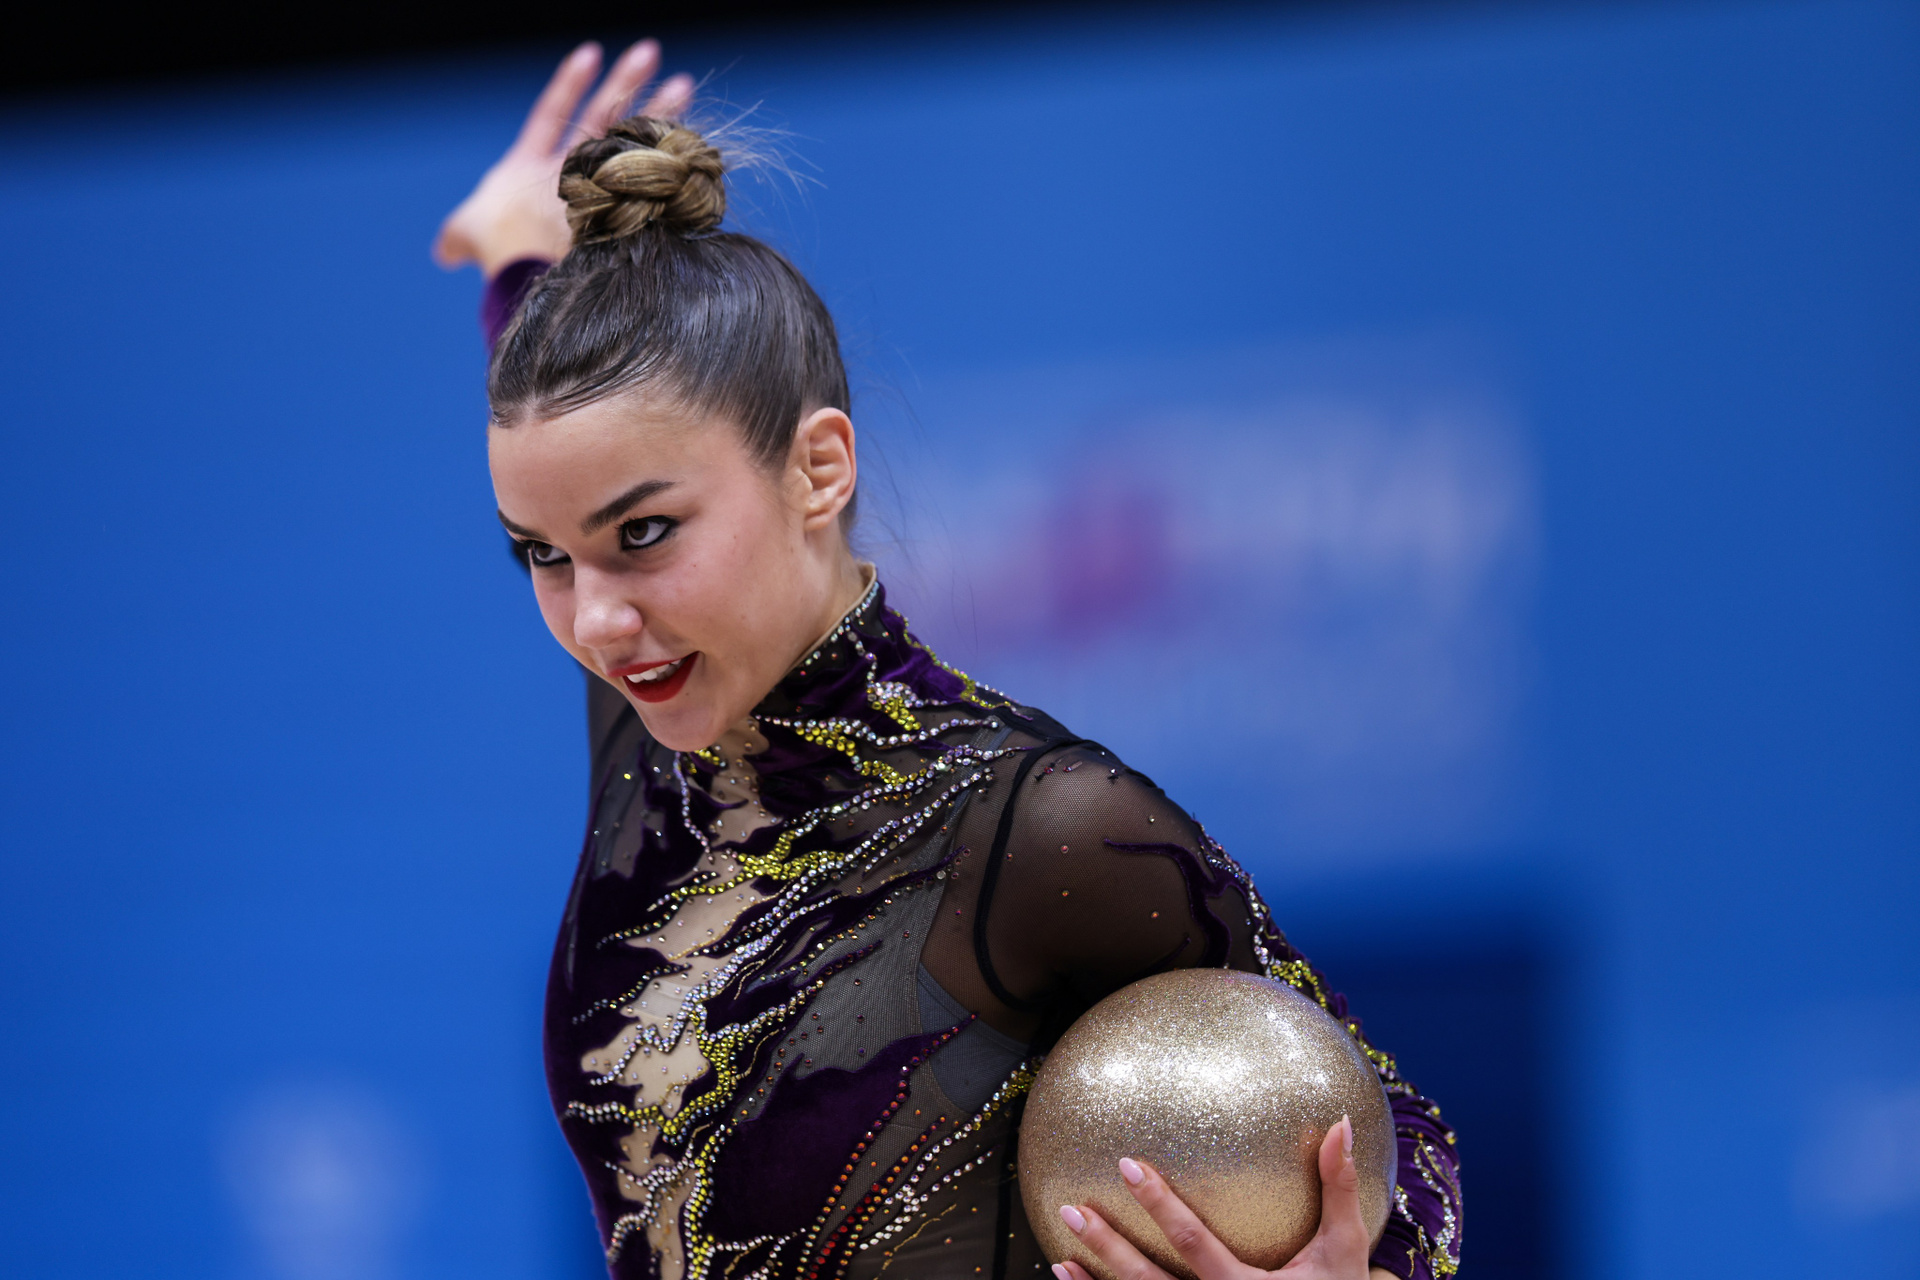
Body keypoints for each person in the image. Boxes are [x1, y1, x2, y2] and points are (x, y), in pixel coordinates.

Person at [435, 40, 1462, 1280]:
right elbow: (586, 458)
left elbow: (1396, 1127)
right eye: (541, 555)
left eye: (642, 535)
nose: (595, 621)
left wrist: (1366, 1273)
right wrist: (520, 254)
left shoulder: (1040, 825)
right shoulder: (658, 719)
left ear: (820, 468)